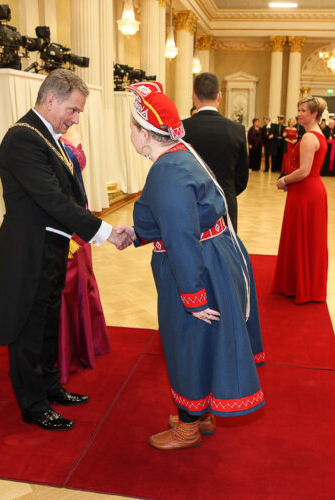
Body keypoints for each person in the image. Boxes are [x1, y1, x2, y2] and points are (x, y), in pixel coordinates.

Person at [126, 81, 264, 450]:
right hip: (214, 256)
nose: (130, 134)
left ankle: (187, 427)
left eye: (131, 127)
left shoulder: (167, 171)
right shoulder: (179, 153)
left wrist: (194, 298)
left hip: (195, 266)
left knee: (187, 340)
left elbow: (181, 238)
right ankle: (199, 414)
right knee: (202, 342)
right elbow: (176, 218)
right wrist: (137, 235)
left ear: (144, 133)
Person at [0, 69, 134, 431]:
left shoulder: (50, 137)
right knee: (28, 326)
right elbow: (52, 199)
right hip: (28, 250)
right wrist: (103, 231)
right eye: (72, 110)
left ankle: (50, 385)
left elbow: (68, 196)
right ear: (51, 99)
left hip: (52, 244)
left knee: (47, 322)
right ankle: (32, 404)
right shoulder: (22, 139)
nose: (74, 119)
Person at [58, 127, 110, 383]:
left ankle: (86, 344)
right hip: (65, 226)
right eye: (72, 110)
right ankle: (65, 352)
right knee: (68, 288)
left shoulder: (66, 136)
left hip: (79, 221)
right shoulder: (39, 142)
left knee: (84, 282)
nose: (75, 118)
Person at [272, 96, 329, 304]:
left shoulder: (309, 138)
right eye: (299, 110)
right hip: (309, 191)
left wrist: (283, 180)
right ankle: (304, 284)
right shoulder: (316, 135)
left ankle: (301, 286)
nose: (299, 114)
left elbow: (304, 171)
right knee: (307, 238)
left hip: (306, 192)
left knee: (302, 236)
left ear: (314, 114)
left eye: (303, 110)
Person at [182, 72, 249, 231]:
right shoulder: (237, 130)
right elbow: (241, 178)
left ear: (193, 95)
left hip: (190, 203)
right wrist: (224, 192)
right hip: (225, 202)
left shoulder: (181, 129)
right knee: (224, 251)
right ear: (219, 96)